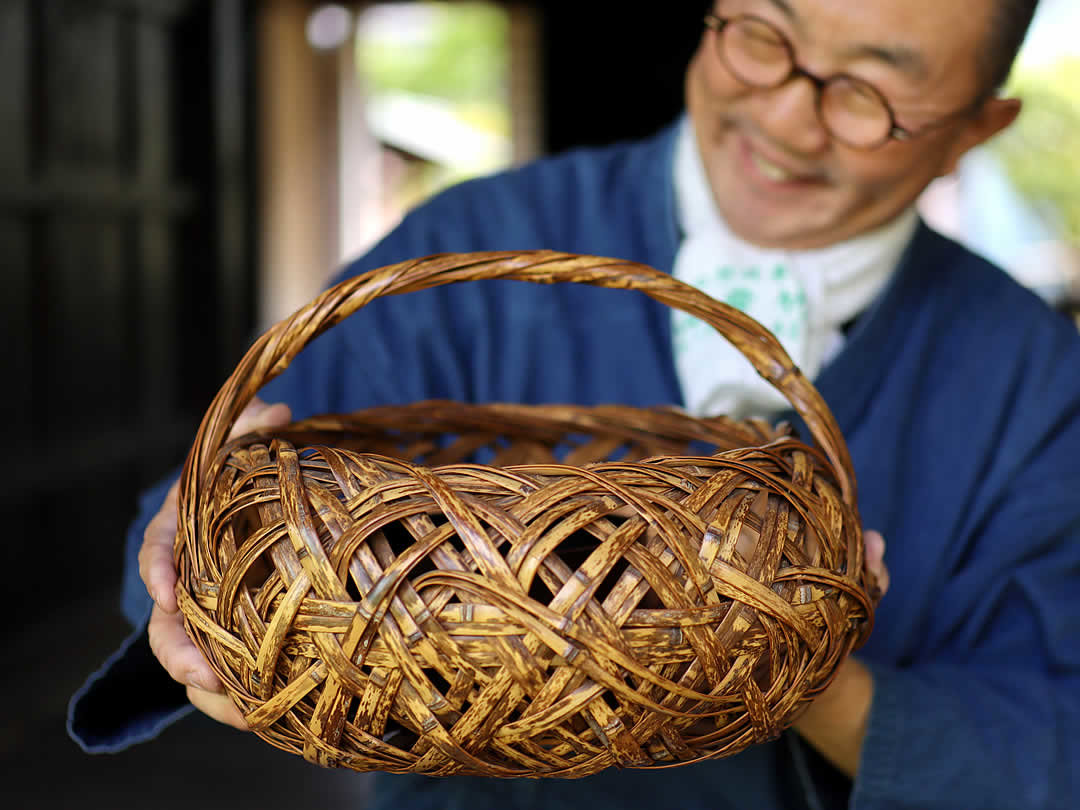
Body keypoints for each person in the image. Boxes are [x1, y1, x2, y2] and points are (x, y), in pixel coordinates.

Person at [69, 0, 1080, 807]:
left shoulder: (1032, 374)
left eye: (867, 93)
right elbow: (203, 529)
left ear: (975, 131)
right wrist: (187, 573)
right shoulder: (469, 248)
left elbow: (1051, 739)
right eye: (761, 37)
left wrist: (796, 663)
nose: (783, 115)